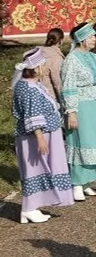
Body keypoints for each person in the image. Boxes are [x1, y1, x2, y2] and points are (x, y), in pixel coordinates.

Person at [11, 47, 75, 223]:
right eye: (44, 65)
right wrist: (40, 139)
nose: (46, 68)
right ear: (36, 68)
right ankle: (28, 208)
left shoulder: (32, 85)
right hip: (37, 136)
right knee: (35, 169)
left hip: (46, 134)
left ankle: (34, 206)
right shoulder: (29, 89)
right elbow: (32, 115)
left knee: (43, 168)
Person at [62, 22, 96, 201]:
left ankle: (87, 181)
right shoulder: (72, 60)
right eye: (91, 36)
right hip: (82, 106)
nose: (94, 39)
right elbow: (68, 86)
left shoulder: (94, 57)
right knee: (82, 142)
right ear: (82, 39)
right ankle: (77, 183)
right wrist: (71, 111)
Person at [38, 27, 66, 102]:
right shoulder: (55, 58)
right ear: (61, 41)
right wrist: (64, 100)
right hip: (49, 97)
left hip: (35, 94)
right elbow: (58, 82)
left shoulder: (38, 52)